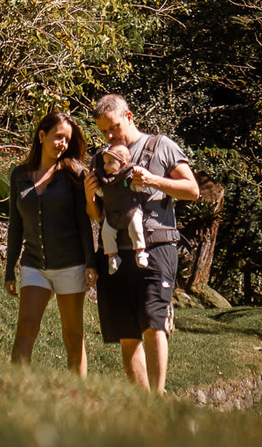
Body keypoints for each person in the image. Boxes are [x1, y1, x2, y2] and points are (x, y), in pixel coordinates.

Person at [84, 94, 200, 395]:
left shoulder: (161, 146)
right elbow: (97, 216)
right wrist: (88, 197)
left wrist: (153, 180)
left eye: (113, 128)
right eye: (103, 132)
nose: (109, 136)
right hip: (115, 254)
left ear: (129, 116)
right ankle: (144, 407)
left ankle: (157, 399)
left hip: (156, 247)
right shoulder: (101, 159)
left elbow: (192, 190)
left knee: (152, 321)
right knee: (126, 333)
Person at [5, 108, 97, 375]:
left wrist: (91, 262)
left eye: (67, 140)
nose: (63, 144)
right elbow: (16, 225)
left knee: (72, 336)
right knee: (26, 328)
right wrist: (10, 267)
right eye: (58, 137)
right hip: (34, 266)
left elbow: (84, 223)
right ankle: (16, 394)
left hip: (71, 266)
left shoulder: (74, 174)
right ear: (42, 135)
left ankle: (75, 401)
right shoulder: (19, 175)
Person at [92, 141, 149, 272]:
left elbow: (137, 188)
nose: (105, 166)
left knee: (136, 228)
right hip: (112, 214)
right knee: (106, 233)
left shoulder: (128, 177)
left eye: (110, 162)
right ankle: (112, 256)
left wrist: (140, 181)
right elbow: (101, 192)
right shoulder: (104, 180)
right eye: (105, 162)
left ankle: (140, 251)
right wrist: (95, 189)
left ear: (122, 164)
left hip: (130, 211)